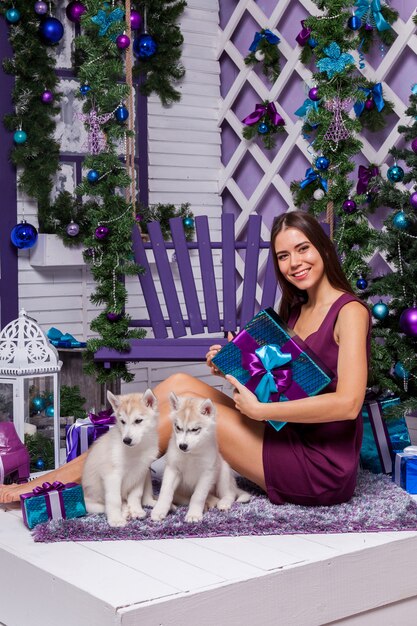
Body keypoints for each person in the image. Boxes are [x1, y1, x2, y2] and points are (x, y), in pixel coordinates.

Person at [0, 210, 370, 506]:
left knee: (176, 415)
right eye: (284, 256)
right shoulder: (296, 309)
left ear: (323, 248)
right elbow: (287, 385)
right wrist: (233, 364)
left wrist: (262, 412)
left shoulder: (350, 312)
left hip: (320, 465)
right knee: (179, 385)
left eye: (303, 249)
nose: (294, 263)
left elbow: (348, 404)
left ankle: (48, 486)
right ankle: (62, 478)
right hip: (286, 434)